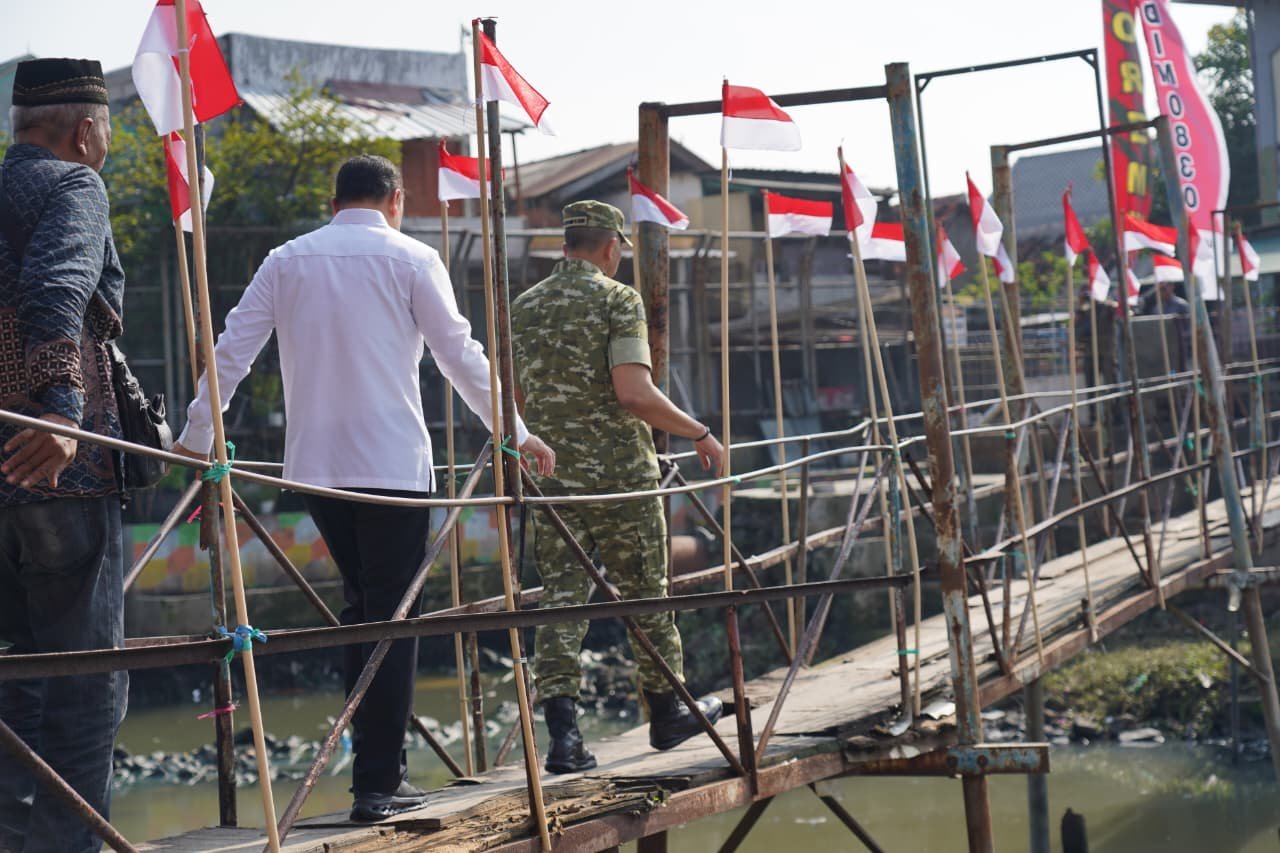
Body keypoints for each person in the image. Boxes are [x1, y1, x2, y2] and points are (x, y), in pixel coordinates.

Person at [174, 155, 554, 822]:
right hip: (391, 470)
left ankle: (373, 769)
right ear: (396, 200)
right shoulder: (411, 259)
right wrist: (514, 430)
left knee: (363, 609)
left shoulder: (288, 259)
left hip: (317, 470)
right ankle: (378, 782)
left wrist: (196, 434)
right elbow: (459, 353)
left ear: (334, 200)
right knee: (392, 617)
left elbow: (230, 347)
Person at [511, 200, 725, 775]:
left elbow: (520, 402)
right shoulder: (617, 297)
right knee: (646, 595)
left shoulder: (524, 308)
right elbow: (634, 393)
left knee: (560, 601)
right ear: (611, 247)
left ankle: (563, 740)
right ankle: (668, 712)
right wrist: (699, 431)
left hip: (552, 479)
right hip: (620, 479)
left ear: (565, 244)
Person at [0, 58, 126, 853]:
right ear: (86, 129)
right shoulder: (74, 185)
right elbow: (57, 291)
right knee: (85, 688)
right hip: (58, 473)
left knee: (16, 685)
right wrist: (62, 410)